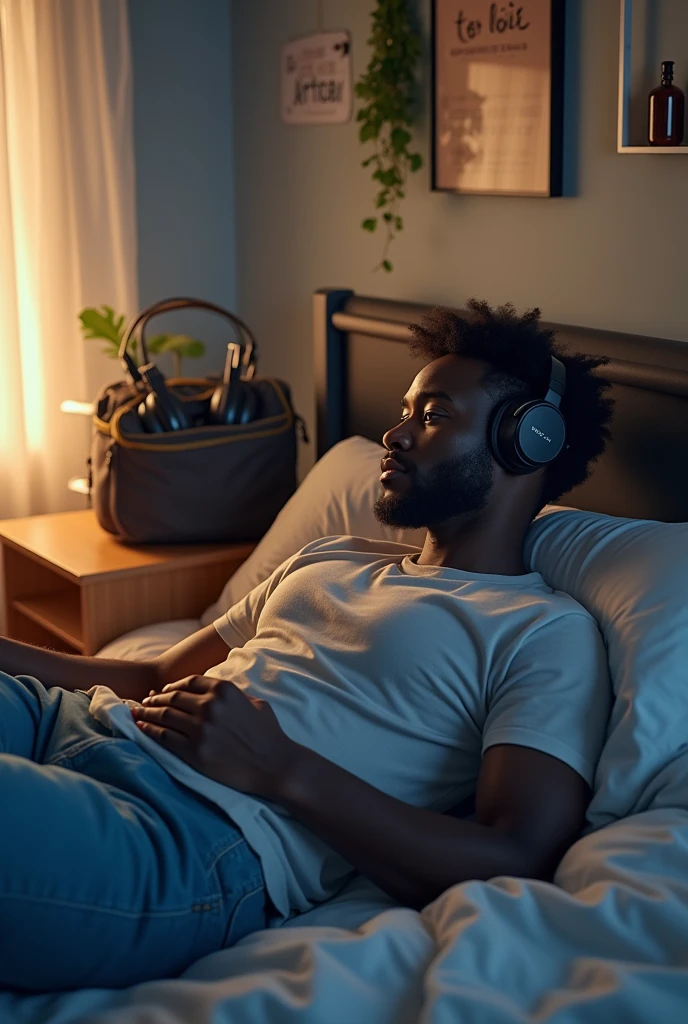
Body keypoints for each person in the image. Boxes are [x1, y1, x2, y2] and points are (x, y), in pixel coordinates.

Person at [0, 300, 614, 993]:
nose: (395, 434)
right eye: (406, 411)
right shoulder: (333, 556)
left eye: (433, 415)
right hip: (73, 722)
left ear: (525, 442)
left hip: (183, 837)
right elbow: (154, 673)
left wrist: (282, 768)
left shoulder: (543, 632)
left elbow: (516, 852)